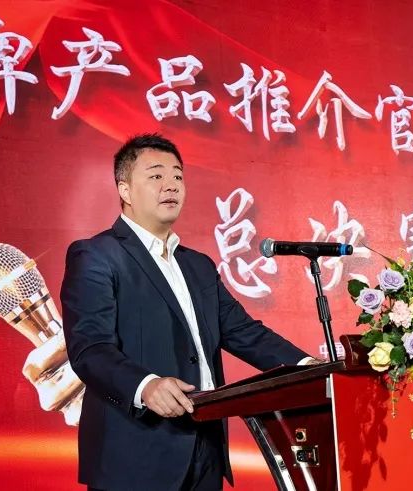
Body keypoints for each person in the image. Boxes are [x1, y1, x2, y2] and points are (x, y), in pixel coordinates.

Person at [61, 133, 312, 491]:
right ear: (125, 190)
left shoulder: (198, 265)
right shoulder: (96, 255)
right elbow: (90, 348)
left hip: (205, 447)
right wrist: (145, 385)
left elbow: (244, 332)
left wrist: (308, 368)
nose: (171, 185)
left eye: (178, 176)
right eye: (156, 175)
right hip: (136, 453)